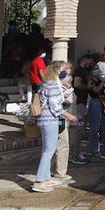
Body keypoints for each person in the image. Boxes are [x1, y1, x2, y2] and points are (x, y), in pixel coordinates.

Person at [31, 61, 78, 192]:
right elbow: (55, 106)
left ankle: (46, 178)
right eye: (64, 69)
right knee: (49, 150)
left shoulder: (49, 83)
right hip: (50, 120)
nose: (66, 73)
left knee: (47, 149)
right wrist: (69, 115)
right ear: (58, 70)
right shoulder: (53, 84)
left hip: (45, 119)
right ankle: (39, 181)